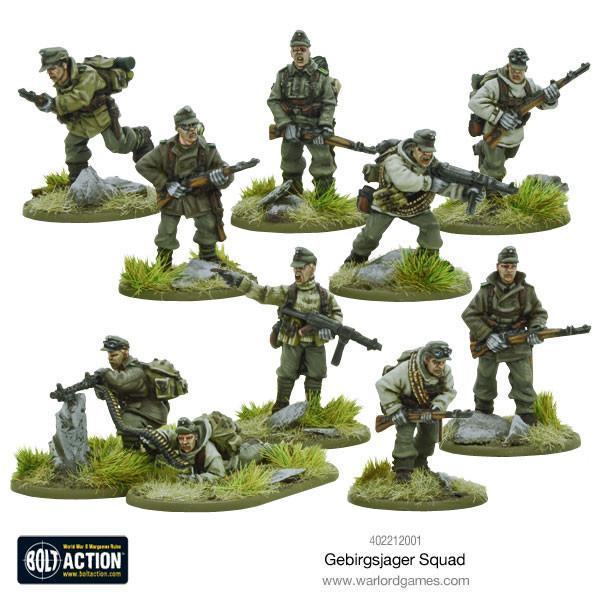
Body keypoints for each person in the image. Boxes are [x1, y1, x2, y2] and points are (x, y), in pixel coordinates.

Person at [217, 247, 343, 413]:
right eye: (295, 268)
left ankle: (313, 409)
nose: (297, 271)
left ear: (312, 268)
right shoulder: (287, 292)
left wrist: (330, 329)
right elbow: (263, 294)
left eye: (301, 267)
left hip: (315, 342)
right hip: (291, 340)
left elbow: (337, 314)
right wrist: (240, 281)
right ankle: (281, 404)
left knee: (317, 373)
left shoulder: (325, 295)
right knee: (286, 373)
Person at [345, 129, 484, 264]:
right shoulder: (394, 159)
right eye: (422, 151)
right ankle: (357, 257)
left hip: (415, 206)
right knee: (370, 235)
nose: (427, 155)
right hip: (387, 204)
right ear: (413, 148)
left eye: (429, 152)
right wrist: (430, 183)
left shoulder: (432, 164)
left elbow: (442, 185)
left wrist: (465, 193)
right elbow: (404, 181)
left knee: (431, 227)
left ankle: (428, 259)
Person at [32, 47, 153, 183]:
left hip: (101, 115)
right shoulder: (62, 81)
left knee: (118, 145)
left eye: (52, 68)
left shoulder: (87, 74)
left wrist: (54, 103)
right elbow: (66, 106)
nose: (49, 73)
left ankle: (141, 137)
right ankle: (78, 178)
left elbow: (80, 98)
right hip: (81, 120)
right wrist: (47, 105)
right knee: (73, 145)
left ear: (64, 64)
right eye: (47, 69)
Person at [135, 106, 233, 267]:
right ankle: (163, 263)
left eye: (194, 125)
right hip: (174, 196)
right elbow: (142, 165)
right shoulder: (165, 149)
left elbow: (223, 170)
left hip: (199, 197)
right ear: (178, 128)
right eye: (186, 127)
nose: (192, 130)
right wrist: (166, 184)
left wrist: (222, 177)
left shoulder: (207, 149)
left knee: (208, 224)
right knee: (167, 230)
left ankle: (208, 258)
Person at [461, 246, 548, 425]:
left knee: (523, 378)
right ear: (498, 266)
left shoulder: (527, 291)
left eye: (513, 266)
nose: (509, 270)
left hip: (517, 342)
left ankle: (526, 414)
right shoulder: (486, 291)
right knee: (485, 379)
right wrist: (487, 335)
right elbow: (469, 314)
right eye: (505, 266)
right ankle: (483, 410)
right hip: (490, 343)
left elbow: (538, 313)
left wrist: (536, 329)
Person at [469, 48, 559, 181]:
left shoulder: (529, 85)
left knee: (509, 155)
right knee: (494, 168)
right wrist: (499, 116)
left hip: (515, 136)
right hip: (494, 132)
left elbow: (542, 103)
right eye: (514, 70)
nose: (517, 74)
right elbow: (474, 102)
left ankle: (483, 148)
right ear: (509, 66)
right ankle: (490, 189)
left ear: (525, 69)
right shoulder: (495, 85)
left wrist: (551, 99)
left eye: (520, 71)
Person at [267, 30, 337, 196]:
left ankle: (324, 197)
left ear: (309, 51)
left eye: (302, 50)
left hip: (314, 125)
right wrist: (285, 124)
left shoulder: (320, 76)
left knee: (323, 162)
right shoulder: (283, 75)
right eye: (295, 50)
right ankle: (291, 195)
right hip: (291, 125)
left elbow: (329, 102)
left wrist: (325, 126)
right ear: (291, 52)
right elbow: (273, 101)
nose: (299, 53)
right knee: (289, 160)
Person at [375, 341, 456, 482]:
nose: (440, 366)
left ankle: (420, 463)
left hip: (428, 408)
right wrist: (395, 410)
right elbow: (382, 385)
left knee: (430, 436)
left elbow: (449, 391)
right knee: (405, 435)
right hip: (404, 406)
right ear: (427, 359)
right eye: (436, 362)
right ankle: (402, 470)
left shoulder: (445, 372)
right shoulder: (406, 370)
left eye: (443, 362)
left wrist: (437, 407)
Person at [94, 335, 170, 449]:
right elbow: (107, 393)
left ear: (125, 352)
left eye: (114, 355)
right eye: (109, 355)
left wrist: (104, 373)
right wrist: (99, 386)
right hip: (137, 411)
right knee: (126, 424)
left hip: (150, 415)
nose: (110, 359)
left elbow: (120, 382)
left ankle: (134, 453)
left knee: (128, 424)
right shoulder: (120, 371)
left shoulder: (136, 370)